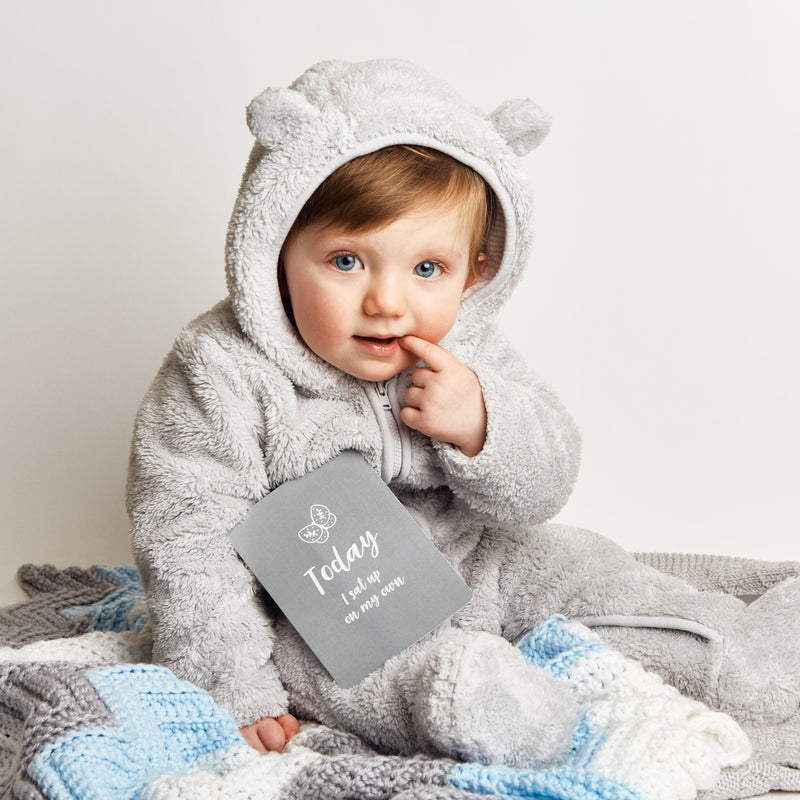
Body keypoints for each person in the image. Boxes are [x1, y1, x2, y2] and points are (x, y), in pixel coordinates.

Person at [128, 59, 800, 765]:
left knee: (591, 568)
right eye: (348, 261)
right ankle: (477, 703)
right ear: (276, 251)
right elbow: (186, 540)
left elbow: (547, 482)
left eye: (426, 270)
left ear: (474, 268)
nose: (388, 301)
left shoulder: (471, 350)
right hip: (327, 608)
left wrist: (484, 426)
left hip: (483, 559)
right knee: (350, 673)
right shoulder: (221, 370)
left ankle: (740, 653)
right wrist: (232, 688)